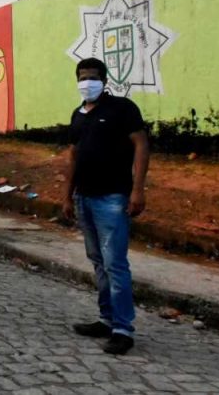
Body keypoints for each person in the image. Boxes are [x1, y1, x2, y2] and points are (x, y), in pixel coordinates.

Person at [63, 57, 150, 355]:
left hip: (112, 197)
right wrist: (67, 196)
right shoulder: (78, 115)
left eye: (93, 77)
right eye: (82, 77)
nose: (87, 82)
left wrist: (137, 189)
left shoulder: (122, 109)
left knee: (115, 263)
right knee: (98, 262)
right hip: (84, 197)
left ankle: (123, 329)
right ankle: (106, 318)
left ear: (104, 80)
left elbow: (141, 144)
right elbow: (73, 156)